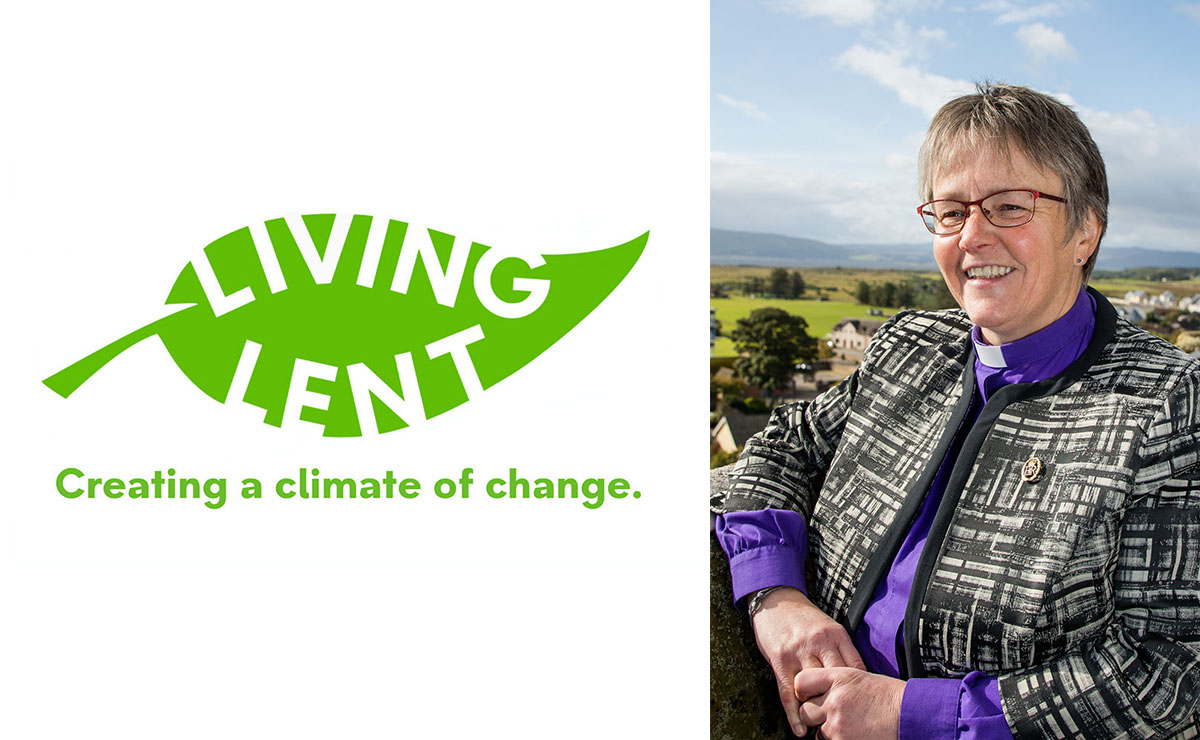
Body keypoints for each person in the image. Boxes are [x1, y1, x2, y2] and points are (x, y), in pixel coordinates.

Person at [712, 83, 1200, 739]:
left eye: (1008, 207)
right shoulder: (909, 349)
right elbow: (781, 449)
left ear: (1085, 229)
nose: (973, 236)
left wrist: (914, 715)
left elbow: (1166, 676)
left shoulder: (1166, 402)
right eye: (949, 212)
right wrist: (775, 596)